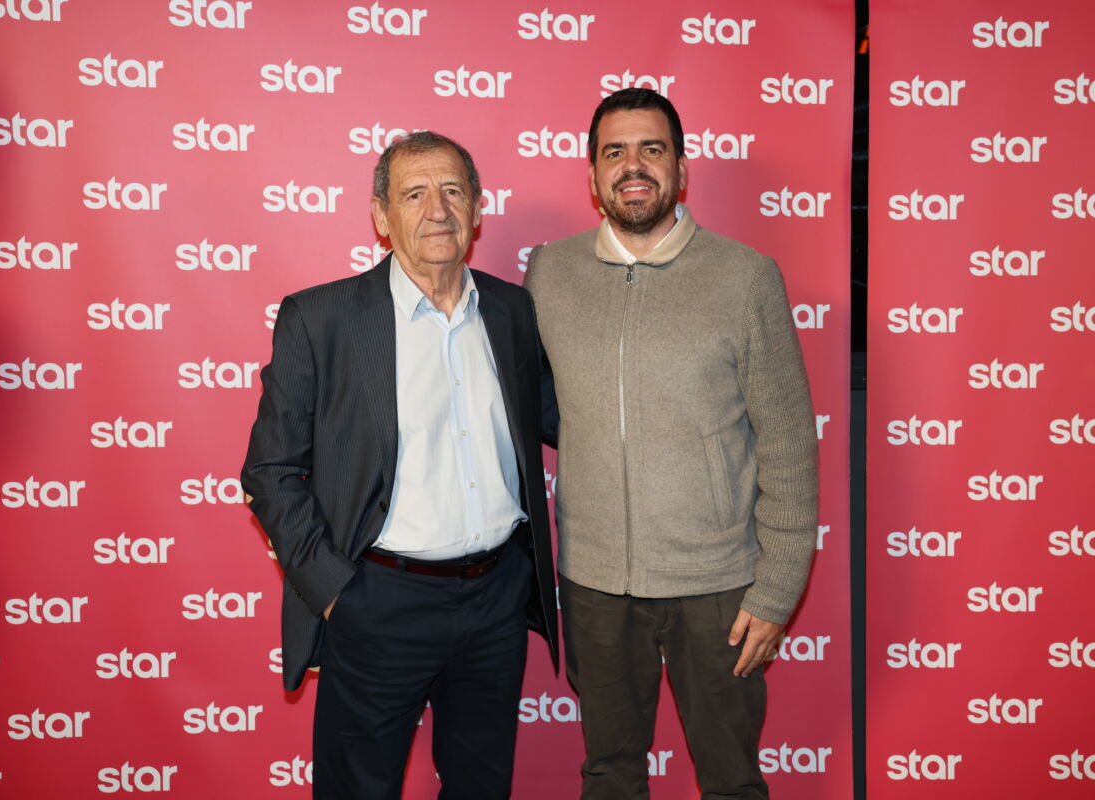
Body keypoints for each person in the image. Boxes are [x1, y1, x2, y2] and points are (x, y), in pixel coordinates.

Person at [242, 130, 558, 800]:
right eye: (414, 194)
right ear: (381, 217)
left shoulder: (513, 309)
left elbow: (559, 418)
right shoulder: (320, 318)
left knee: (481, 789)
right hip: (378, 601)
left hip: (496, 600)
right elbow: (270, 471)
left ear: (478, 209)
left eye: (452, 191)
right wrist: (336, 592)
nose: (437, 210)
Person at [525, 88, 818, 799]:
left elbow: (787, 444)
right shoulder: (550, 274)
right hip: (595, 585)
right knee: (610, 776)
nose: (633, 166)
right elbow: (542, 408)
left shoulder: (745, 277)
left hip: (720, 590)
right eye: (615, 152)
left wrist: (777, 590)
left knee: (731, 781)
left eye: (651, 150)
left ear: (681, 169)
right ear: (593, 175)